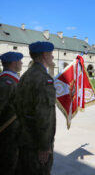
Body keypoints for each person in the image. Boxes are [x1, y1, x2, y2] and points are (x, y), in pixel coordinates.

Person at [15, 41, 56, 175]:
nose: (53, 56)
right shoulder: (44, 79)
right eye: (51, 53)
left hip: (24, 140)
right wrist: (44, 146)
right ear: (44, 55)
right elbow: (44, 116)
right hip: (37, 144)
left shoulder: (25, 76)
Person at [0, 52, 23, 175]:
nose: (22, 63)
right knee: (7, 167)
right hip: (7, 137)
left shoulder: (13, 80)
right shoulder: (6, 83)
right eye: (20, 61)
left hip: (14, 136)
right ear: (13, 63)